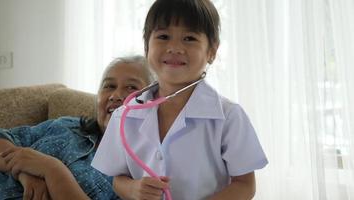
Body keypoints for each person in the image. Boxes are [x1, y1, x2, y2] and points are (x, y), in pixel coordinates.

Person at [92, 0, 268, 200]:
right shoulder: (124, 115)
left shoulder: (229, 116)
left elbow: (245, 185)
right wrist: (132, 189)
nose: (174, 47)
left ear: (212, 51)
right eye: (163, 36)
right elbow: (117, 178)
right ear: (146, 46)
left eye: (189, 38)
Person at [0, 55, 155, 200]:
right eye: (109, 86)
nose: (115, 95)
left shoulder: (140, 172)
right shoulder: (67, 126)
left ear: (154, 100)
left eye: (131, 88)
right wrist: (24, 172)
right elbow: (3, 138)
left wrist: (51, 169)